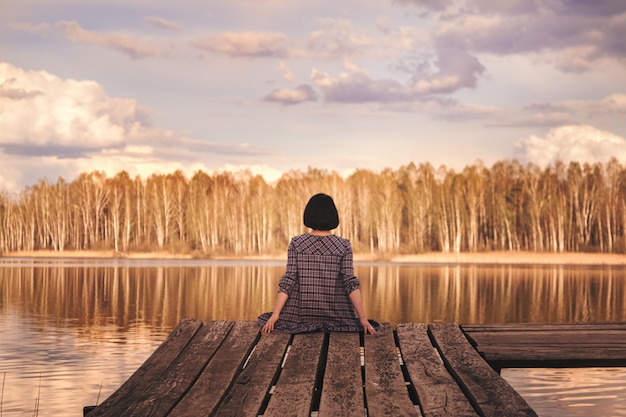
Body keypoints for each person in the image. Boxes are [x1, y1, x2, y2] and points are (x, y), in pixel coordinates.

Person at [258, 193, 378, 334]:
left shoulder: (297, 243)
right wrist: (362, 318)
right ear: (333, 216)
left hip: (300, 318)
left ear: (309, 215)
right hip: (336, 318)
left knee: (264, 318)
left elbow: (288, 281)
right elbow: (350, 282)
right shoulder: (343, 245)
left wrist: (275, 315)